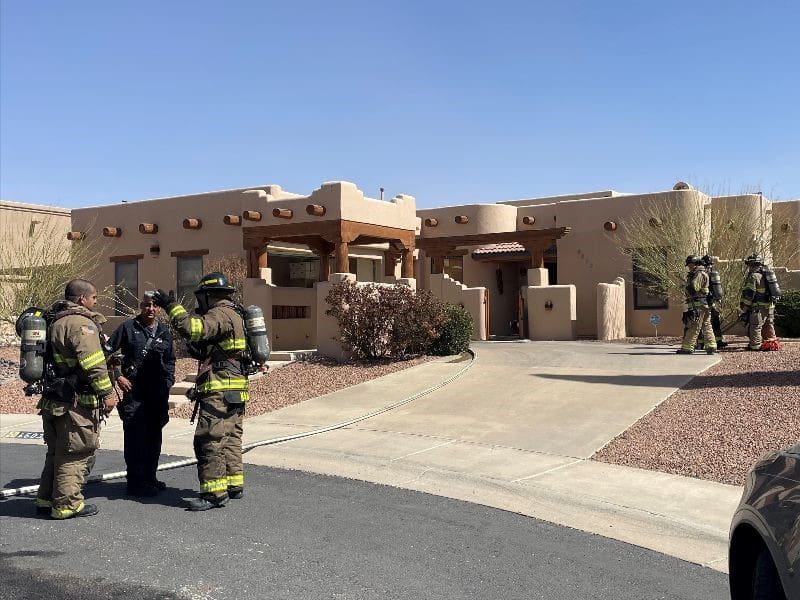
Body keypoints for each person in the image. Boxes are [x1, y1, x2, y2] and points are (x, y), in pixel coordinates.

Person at [153, 273, 248, 511]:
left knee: (210, 439)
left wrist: (170, 305)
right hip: (236, 387)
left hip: (219, 388)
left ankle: (214, 493)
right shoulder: (236, 313)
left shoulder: (218, 313)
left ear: (208, 295)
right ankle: (233, 484)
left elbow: (192, 329)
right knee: (230, 437)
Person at [35, 279, 116, 519]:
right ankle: (67, 505)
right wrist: (108, 393)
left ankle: (45, 499)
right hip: (76, 404)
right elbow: (92, 363)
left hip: (55, 401)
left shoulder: (54, 321)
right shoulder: (82, 324)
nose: (95, 302)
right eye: (93, 298)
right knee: (75, 453)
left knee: (56, 452)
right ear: (82, 299)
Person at [107, 292, 175, 497]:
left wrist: (169, 381)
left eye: (155, 305)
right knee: (135, 438)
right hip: (134, 392)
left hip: (157, 393)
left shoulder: (164, 331)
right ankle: (135, 482)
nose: (151, 309)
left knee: (155, 437)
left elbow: (171, 360)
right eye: (147, 305)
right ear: (141, 306)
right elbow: (107, 353)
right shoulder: (128, 328)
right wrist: (118, 376)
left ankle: (150, 477)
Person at [677, 255, 717, 355]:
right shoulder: (700, 273)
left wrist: (686, 286)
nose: (689, 267)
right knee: (706, 325)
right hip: (703, 305)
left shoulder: (699, 274)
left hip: (698, 305)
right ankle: (711, 346)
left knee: (694, 326)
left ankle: (687, 348)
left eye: (690, 265)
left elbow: (694, 288)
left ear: (695, 264)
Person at [740, 254, 777, 351]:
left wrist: (745, 306)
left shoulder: (753, 276)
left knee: (755, 326)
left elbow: (750, 293)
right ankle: (771, 344)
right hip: (770, 306)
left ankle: (755, 346)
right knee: (768, 325)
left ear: (751, 265)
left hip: (758, 307)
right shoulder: (766, 274)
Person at [697, 255, 727, 350]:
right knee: (715, 322)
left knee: (701, 322)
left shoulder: (701, 274)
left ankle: (700, 343)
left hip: (703, 302)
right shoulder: (713, 274)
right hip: (713, 302)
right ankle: (718, 341)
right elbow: (718, 291)